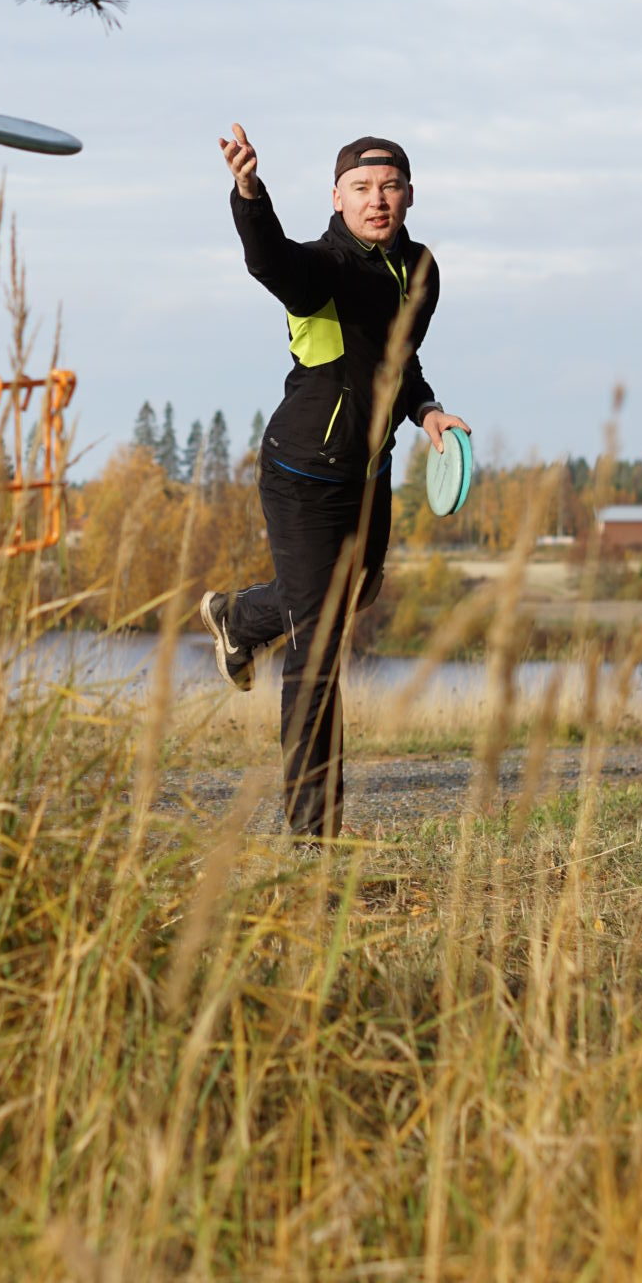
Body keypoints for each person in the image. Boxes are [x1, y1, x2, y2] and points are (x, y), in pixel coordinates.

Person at [200, 127, 471, 840]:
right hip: (301, 473)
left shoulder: (420, 267)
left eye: (388, 187)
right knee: (316, 650)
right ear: (336, 198)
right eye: (360, 188)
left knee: (356, 591)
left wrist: (426, 409)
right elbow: (270, 262)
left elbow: (398, 358)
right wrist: (249, 194)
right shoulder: (319, 266)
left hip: (369, 470)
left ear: (407, 196)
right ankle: (312, 838)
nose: (375, 200)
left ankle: (239, 617)